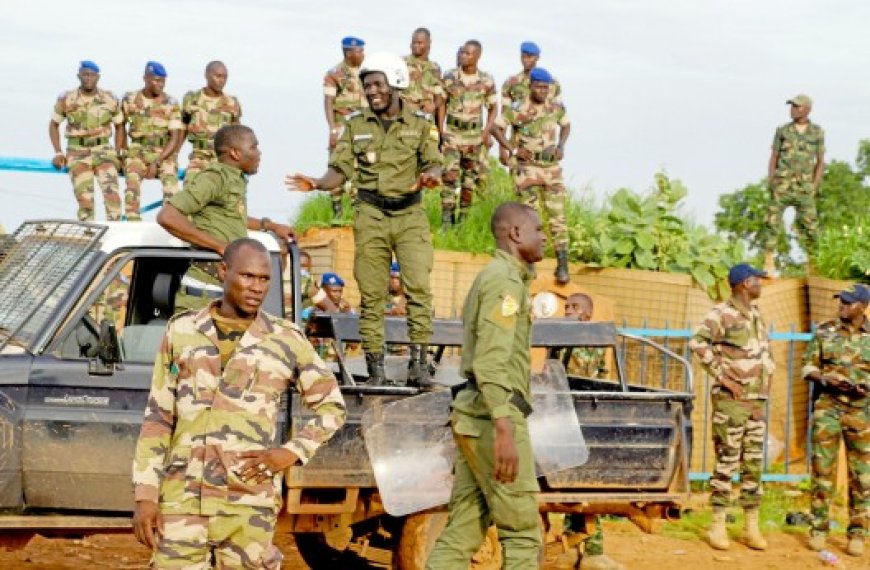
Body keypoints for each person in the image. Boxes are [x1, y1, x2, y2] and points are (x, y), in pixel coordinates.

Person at [131, 237, 346, 568]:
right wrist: (146, 496)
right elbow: (158, 418)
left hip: (248, 502)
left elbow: (332, 407)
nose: (256, 287)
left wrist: (289, 453)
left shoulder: (285, 339)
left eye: (264, 280)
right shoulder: (182, 330)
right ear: (224, 272)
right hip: (183, 500)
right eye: (247, 276)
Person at [286, 52, 442, 388]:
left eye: (377, 84)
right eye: (367, 84)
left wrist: (430, 176)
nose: (371, 91)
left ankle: (419, 363)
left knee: (418, 287)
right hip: (371, 213)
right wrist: (316, 183)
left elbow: (434, 163)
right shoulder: (356, 125)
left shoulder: (419, 124)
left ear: (395, 83)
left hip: (410, 214)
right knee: (371, 295)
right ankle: (376, 370)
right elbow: (338, 170)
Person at [426, 202, 546, 569]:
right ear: (515, 233)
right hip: (493, 416)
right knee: (523, 531)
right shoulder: (505, 282)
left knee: (466, 524)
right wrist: (505, 428)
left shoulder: (497, 276)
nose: (544, 237)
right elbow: (491, 360)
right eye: (538, 229)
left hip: (474, 413)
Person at [156, 124, 294, 312]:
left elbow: (232, 216)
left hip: (224, 290)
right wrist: (219, 246)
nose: (259, 153)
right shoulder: (215, 178)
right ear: (235, 153)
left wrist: (270, 225)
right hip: (204, 292)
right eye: (253, 147)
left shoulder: (234, 179)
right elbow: (168, 216)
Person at [689, 263, 775, 551]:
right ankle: (718, 526)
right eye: (756, 280)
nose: (760, 284)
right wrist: (722, 377)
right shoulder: (720, 313)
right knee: (727, 462)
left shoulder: (756, 314)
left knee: (753, 464)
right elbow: (697, 343)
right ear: (742, 283)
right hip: (731, 402)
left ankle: (751, 526)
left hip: (756, 402)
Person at [551, 293, 621, 570]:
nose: (568, 311)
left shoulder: (590, 341)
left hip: (585, 416)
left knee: (585, 486)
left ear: (587, 314)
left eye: (575, 307)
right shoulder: (560, 339)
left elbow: (599, 378)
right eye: (566, 307)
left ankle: (592, 550)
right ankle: (575, 546)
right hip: (564, 415)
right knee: (568, 484)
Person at [802, 283, 869, 557]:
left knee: (862, 476)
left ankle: (858, 533)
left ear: (863, 307)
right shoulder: (824, 331)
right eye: (840, 301)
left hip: (861, 412)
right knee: (822, 472)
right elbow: (808, 366)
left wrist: (864, 385)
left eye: (848, 302)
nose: (841, 306)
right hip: (827, 408)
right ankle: (818, 530)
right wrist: (823, 378)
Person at [492, 66, 572, 284]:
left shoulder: (555, 106)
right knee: (529, 216)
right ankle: (529, 262)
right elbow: (496, 128)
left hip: (550, 168)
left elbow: (566, 125)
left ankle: (562, 263)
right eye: (538, 87)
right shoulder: (519, 108)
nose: (542, 91)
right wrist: (513, 149)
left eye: (546, 88)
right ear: (531, 86)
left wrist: (561, 145)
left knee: (558, 216)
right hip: (527, 168)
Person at [49, 60, 125, 221]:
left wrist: (119, 152)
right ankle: (89, 236)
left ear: (98, 77)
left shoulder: (109, 99)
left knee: (112, 196)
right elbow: (54, 125)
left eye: (92, 75)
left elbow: (120, 126)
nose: (88, 78)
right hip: (77, 153)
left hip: (104, 151)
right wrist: (58, 152)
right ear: (79, 76)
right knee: (85, 200)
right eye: (85, 75)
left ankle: (115, 237)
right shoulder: (67, 99)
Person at [762, 94, 825, 275]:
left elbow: (820, 161)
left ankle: (813, 262)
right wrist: (772, 181)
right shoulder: (782, 131)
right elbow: (774, 157)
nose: (792, 109)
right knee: (772, 221)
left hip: (804, 187)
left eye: (796, 106)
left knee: (811, 226)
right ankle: (768, 260)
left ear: (806, 109)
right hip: (782, 184)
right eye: (791, 106)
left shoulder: (817, 132)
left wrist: (814, 185)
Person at [439, 40, 498, 228]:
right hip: (453, 135)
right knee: (449, 177)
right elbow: (441, 103)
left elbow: (493, 107)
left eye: (468, 53)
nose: (464, 56)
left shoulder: (486, 80)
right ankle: (447, 221)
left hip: (473, 138)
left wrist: (485, 132)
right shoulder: (450, 77)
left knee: (469, 181)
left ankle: (463, 221)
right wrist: (441, 131)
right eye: (462, 53)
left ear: (477, 56)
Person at [120, 61, 184, 220]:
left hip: (164, 152)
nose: (160, 84)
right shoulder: (130, 99)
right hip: (137, 151)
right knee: (131, 185)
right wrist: (121, 152)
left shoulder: (171, 103)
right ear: (145, 78)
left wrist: (157, 162)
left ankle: (170, 224)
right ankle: (133, 224)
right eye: (156, 80)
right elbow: (120, 126)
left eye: (163, 81)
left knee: (172, 189)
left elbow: (174, 137)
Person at [323, 36, 367, 219]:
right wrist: (332, 129)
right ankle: (337, 214)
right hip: (343, 126)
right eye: (359, 51)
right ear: (349, 53)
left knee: (362, 169)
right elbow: (328, 102)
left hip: (364, 128)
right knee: (338, 166)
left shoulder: (368, 71)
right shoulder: (334, 74)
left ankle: (359, 213)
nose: (363, 54)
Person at [181, 61, 242, 186]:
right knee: (190, 191)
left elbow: (238, 135)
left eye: (224, 77)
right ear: (207, 75)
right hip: (199, 156)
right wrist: (173, 157)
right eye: (218, 76)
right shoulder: (192, 99)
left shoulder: (231, 103)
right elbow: (182, 129)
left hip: (223, 159)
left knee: (230, 195)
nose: (221, 80)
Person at [402, 28, 444, 126]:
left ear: (429, 43)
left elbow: (439, 97)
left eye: (420, 43)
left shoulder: (435, 68)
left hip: (425, 119)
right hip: (404, 118)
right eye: (414, 42)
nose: (416, 45)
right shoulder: (401, 63)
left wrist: (433, 106)